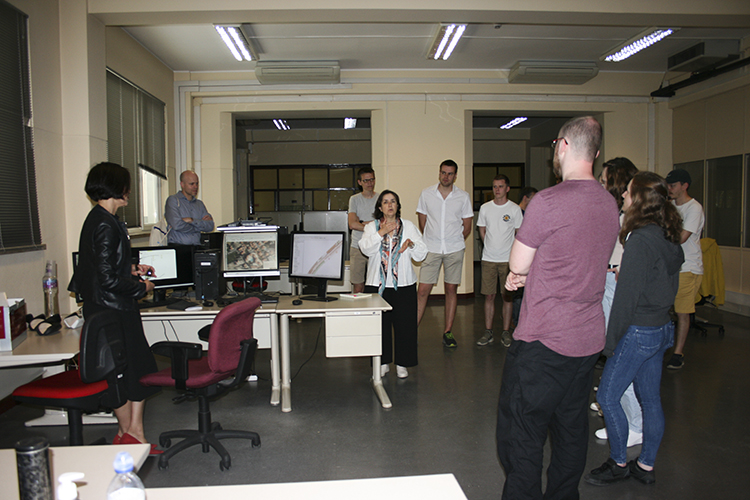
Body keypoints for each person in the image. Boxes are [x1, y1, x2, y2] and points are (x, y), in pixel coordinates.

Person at [497, 116, 620, 499]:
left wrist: (520, 274)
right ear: (596, 154)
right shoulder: (608, 203)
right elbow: (575, 258)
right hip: (586, 341)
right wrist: (531, 271)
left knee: (521, 432)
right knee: (570, 429)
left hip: (543, 342)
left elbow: (518, 263)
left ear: (562, 146)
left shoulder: (548, 201)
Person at [584, 172, 684, 486]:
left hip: (639, 332)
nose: (623, 196)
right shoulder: (667, 234)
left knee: (609, 398)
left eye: (627, 193)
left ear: (639, 200)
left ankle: (617, 463)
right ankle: (646, 465)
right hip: (660, 328)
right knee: (650, 400)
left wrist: (609, 345)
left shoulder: (639, 239)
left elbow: (625, 300)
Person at [68, 162, 161, 454]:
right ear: (116, 187)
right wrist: (141, 287)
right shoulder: (106, 223)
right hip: (114, 310)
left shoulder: (100, 218)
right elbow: (107, 279)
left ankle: (133, 433)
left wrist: (132, 268)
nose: (129, 191)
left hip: (108, 308)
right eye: (126, 186)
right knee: (122, 372)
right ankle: (132, 434)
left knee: (134, 369)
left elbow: (101, 267)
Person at [594, 157, 644, 447]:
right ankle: (624, 416)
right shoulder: (618, 211)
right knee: (613, 352)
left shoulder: (630, 215)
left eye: (604, 181)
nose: (601, 185)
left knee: (618, 354)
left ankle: (634, 424)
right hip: (608, 281)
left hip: (616, 284)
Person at [359, 190, 427, 379]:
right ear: (380, 207)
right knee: (379, 326)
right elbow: (365, 249)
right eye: (386, 202)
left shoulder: (409, 226)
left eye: (393, 202)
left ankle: (403, 363)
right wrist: (382, 232)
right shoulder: (371, 227)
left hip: (403, 285)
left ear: (398, 206)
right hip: (377, 284)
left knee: (405, 325)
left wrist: (411, 245)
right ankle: (382, 362)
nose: (390, 205)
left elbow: (422, 254)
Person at [416, 159, 474, 348]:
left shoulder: (463, 197)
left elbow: (467, 226)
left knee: (451, 290)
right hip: (431, 248)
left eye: (450, 173)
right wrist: (431, 239)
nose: (446, 176)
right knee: (423, 290)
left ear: (455, 176)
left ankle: (447, 332)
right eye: (443, 172)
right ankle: (412, 329)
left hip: (454, 249)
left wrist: (453, 240)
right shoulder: (426, 194)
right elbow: (422, 222)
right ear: (439, 173)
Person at [476, 175, 523, 347]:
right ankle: (488, 331)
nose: (497, 190)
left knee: (507, 297)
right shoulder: (485, 208)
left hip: (508, 260)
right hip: (488, 258)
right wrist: (489, 245)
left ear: (507, 188)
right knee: (489, 295)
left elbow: (519, 234)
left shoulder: (514, 209)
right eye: (495, 186)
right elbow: (482, 230)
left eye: (501, 186)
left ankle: (505, 332)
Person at [665, 168, 704, 370]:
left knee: (682, 312)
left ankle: (678, 353)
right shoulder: (669, 206)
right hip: (670, 266)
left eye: (673, 185)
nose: (669, 189)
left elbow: (681, 238)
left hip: (688, 267)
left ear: (684, 186)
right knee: (665, 307)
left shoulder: (694, 208)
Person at [348, 167, 379, 294]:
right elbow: (352, 224)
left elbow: (384, 223)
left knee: (376, 284)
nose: (369, 183)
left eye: (371, 180)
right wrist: (372, 225)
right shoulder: (354, 199)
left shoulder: (380, 198)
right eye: (366, 181)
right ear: (360, 182)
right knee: (358, 286)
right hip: (358, 247)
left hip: (376, 246)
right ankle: (357, 312)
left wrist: (362, 223)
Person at [510, 186, 537, 329]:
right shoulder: (516, 212)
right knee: (517, 293)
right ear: (525, 198)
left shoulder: (531, 214)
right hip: (518, 259)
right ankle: (516, 322)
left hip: (530, 258)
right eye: (533, 198)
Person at [165, 170, 214, 246]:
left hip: (196, 247)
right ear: (182, 184)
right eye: (192, 184)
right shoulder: (173, 201)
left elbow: (210, 226)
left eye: (197, 183)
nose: (195, 187)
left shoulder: (199, 204)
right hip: (178, 247)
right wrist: (199, 226)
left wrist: (191, 220)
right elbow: (177, 225)